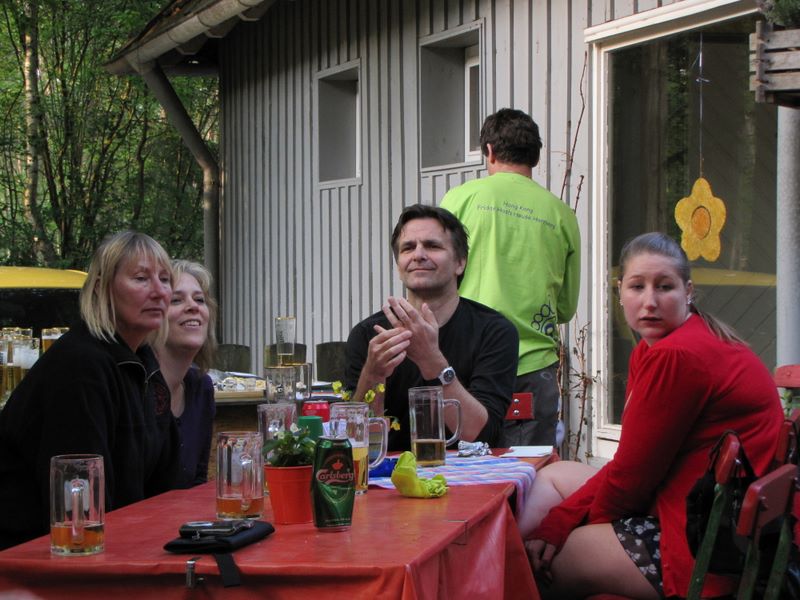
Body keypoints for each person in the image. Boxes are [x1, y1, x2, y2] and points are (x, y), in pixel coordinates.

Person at [517, 232, 783, 599]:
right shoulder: (661, 344)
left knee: (532, 567)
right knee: (552, 476)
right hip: (709, 513)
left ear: (688, 291)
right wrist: (560, 520)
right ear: (620, 292)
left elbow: (631, 481)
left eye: (664, 287)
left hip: (706, 548)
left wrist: (565, 527)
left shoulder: (676, 355)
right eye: (637, 286)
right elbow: (633, 465)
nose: (649, 302)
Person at [0, 231, 180, 550]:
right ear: (101, 287)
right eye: (141, 278)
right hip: (33, 557)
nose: (158, 291)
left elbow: (166, 485)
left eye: (165, 280)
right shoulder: (80, 366)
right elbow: (79, 502)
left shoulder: (144, 364)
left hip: (115, 547)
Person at [441, 108, 580, 447]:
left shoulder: (460, 199)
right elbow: (564, 309)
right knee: (529, 473)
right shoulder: (561, 214)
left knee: (462, 471)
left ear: (489, 151)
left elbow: (436, 284)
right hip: (532, 371)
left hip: (468, 368)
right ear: (535, 157)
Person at [344, 203, 518, 451]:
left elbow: (480, 436)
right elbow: (357, 443)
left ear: (460, 263)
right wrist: (373, 375)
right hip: (390, 470)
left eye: (432, 246)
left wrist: (432, 361)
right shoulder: (368, 335)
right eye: (408, 248)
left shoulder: (495, 331)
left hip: (471, 471)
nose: (418, 255)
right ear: (399, 266)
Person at [154, 260, 217, 488]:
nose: (193, 307)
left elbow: (197, 482)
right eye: (176, 300)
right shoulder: (134, 390)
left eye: (199, 299)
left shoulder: (201, 387)